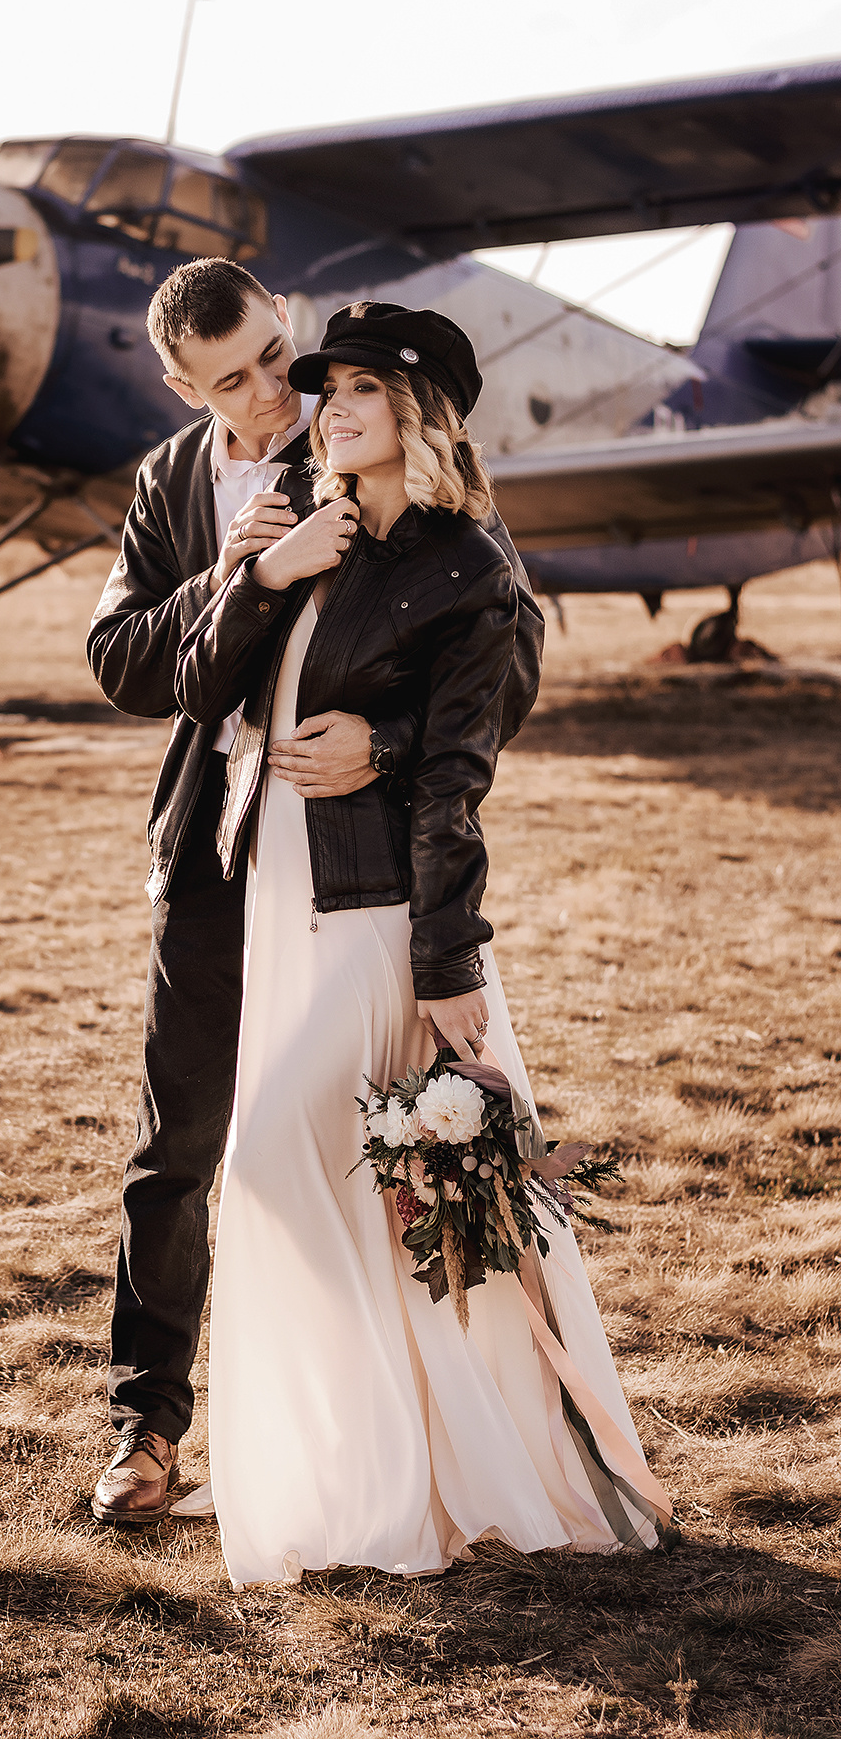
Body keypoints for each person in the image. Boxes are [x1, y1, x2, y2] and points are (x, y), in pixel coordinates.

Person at [175, 301, 673, 1585]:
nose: (321, 410)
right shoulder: (309, 525)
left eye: (354, 393)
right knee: (358, 1192)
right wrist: (258, 574)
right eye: (323, 387)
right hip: (282, 882)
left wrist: (445, 966)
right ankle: (382, 1442)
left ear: (418, 416)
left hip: (382, 908)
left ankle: (419, 1443)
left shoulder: (470, 572)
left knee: (280, 1162)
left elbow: (457, 776)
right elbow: (198, 686)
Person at [86, 267, 537, 1527]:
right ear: (185, 390)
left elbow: (499, 669)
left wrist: (383, 745)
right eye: (233, 380)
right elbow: (126, 664)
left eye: (279, 355)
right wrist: (245, 573)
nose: (277, 392)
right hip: (214, 847)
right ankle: (148, 1424)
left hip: (341, 867)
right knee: (175, 1142)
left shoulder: (367, 444)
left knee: (331, 1144)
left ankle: (400, 1422)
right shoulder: (169, 480)